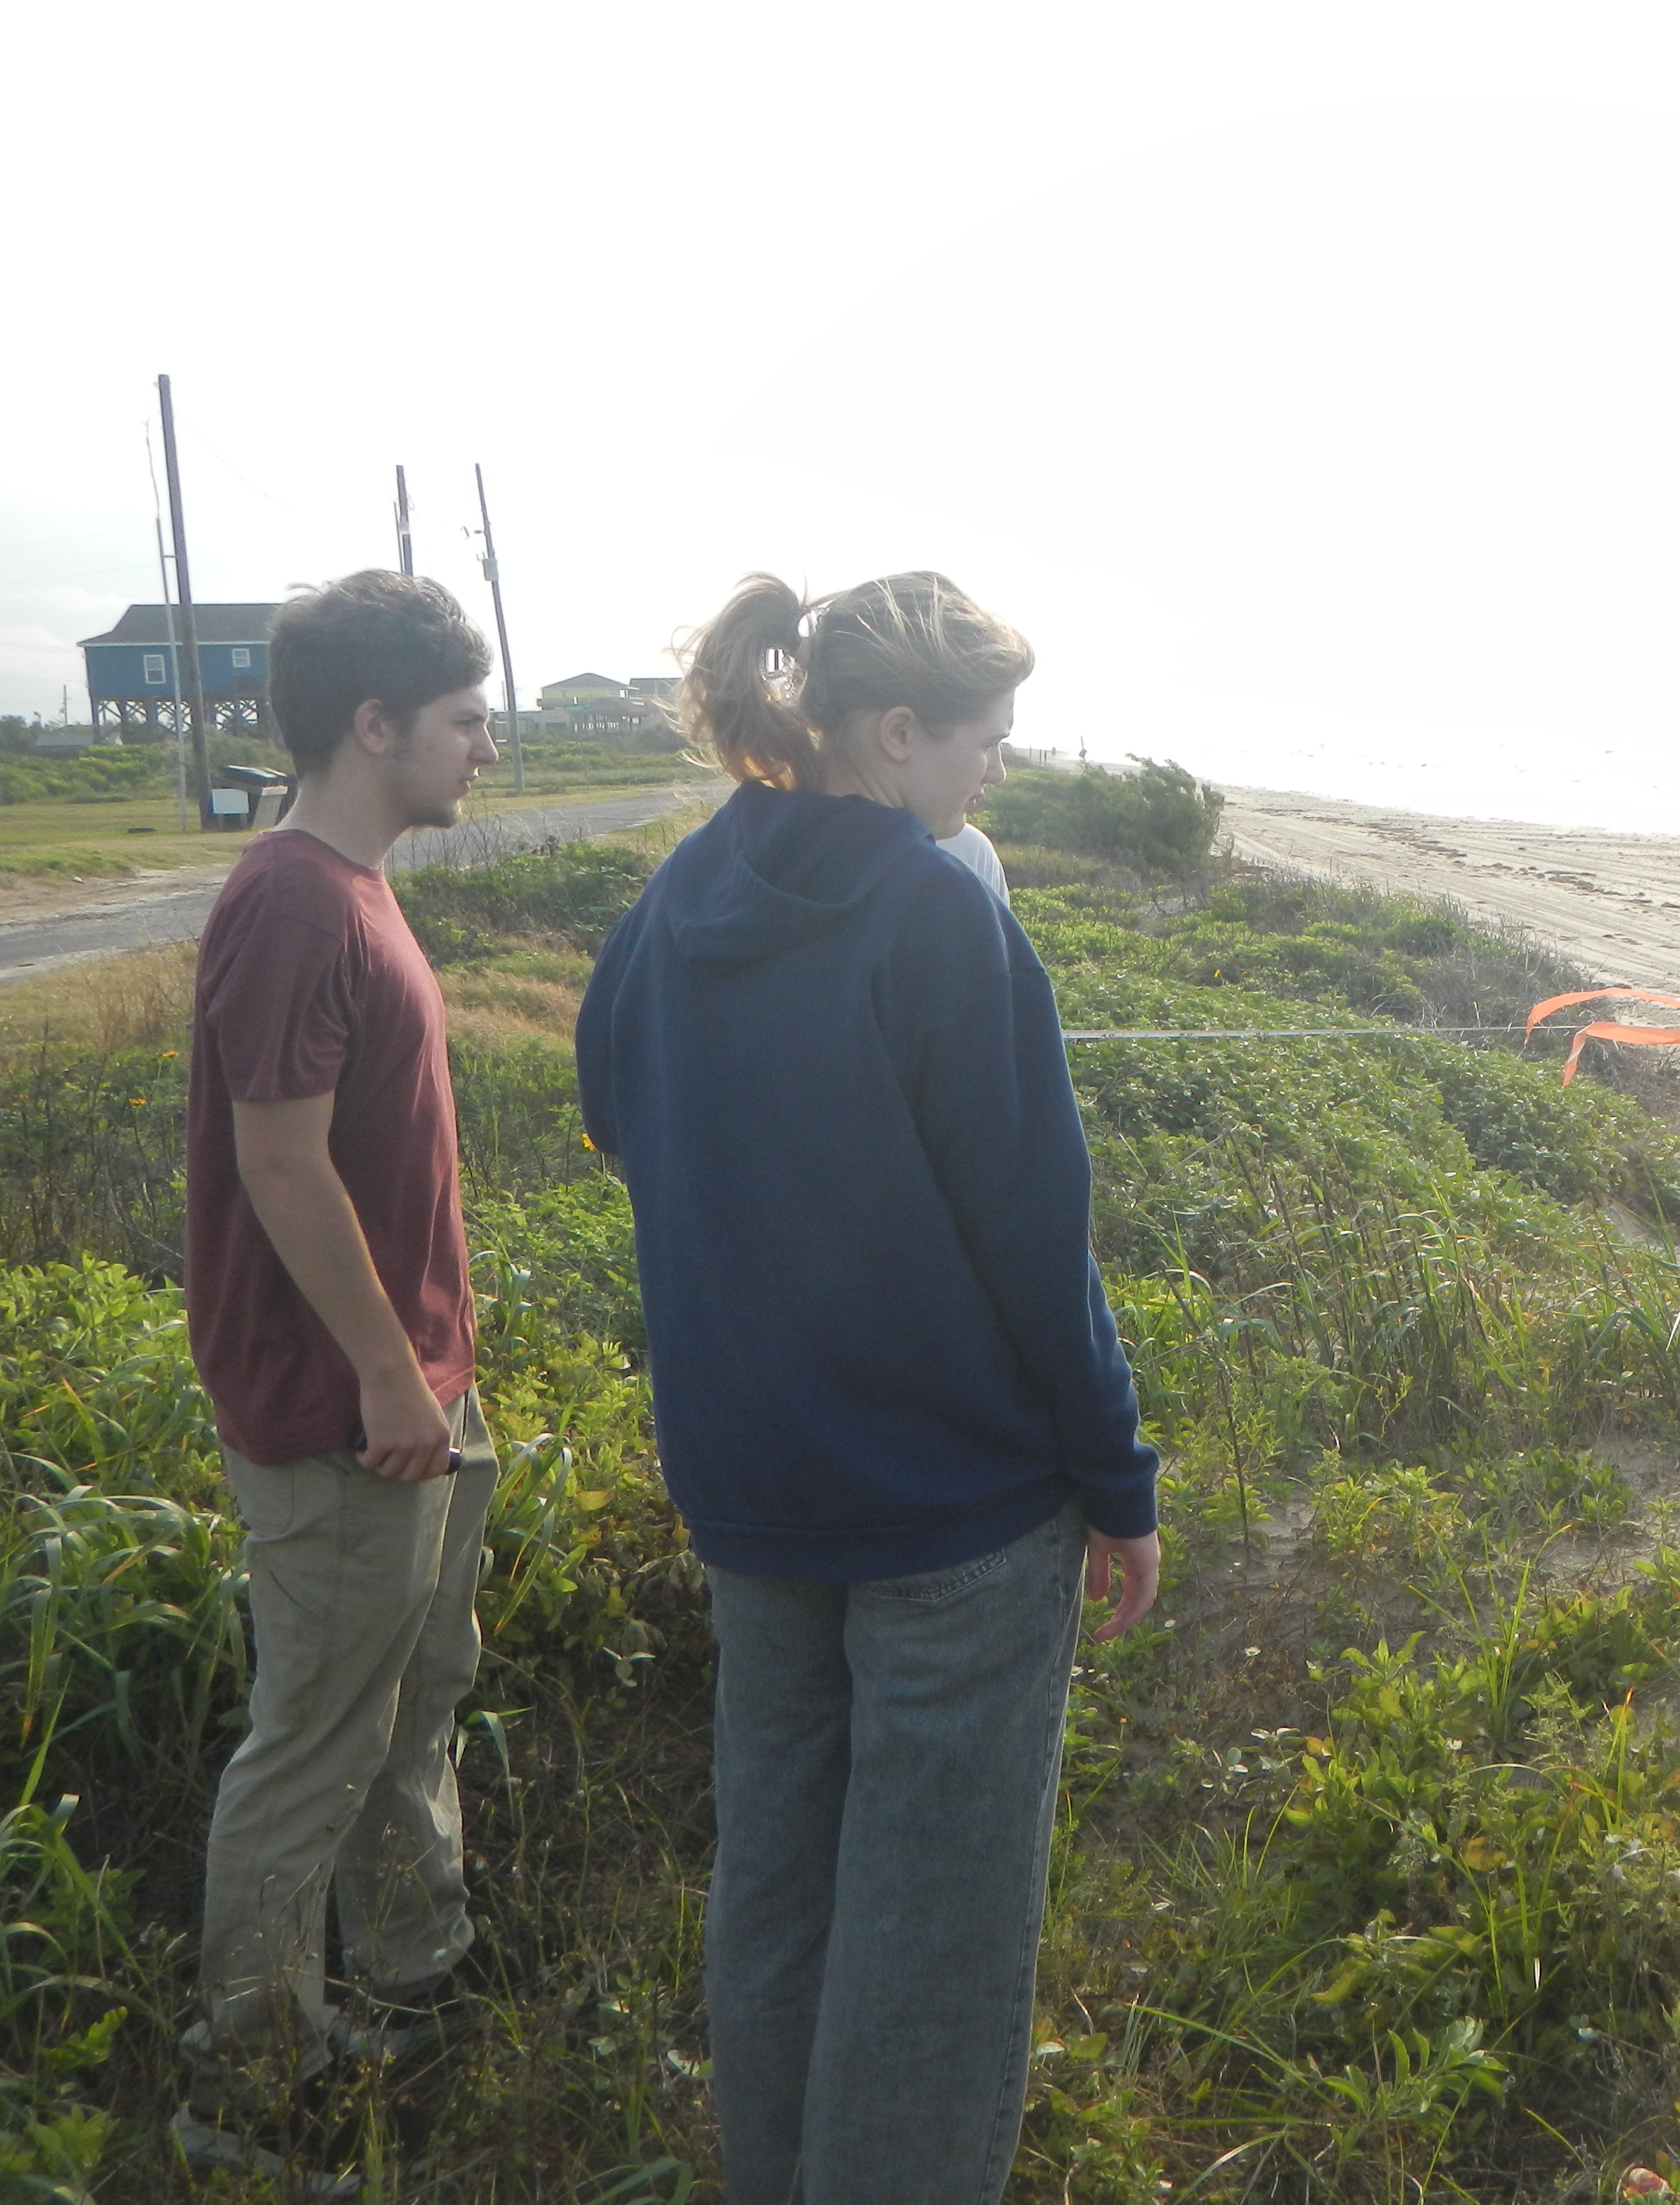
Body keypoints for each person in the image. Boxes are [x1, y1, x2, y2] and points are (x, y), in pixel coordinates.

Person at [574, 572, 1160, 2204]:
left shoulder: (688, 881)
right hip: (951, 1513)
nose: (998, 774)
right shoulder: (932, 905)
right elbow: (1040, 1242)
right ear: (897, 734)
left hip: (752, 1490)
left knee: (781, 1886)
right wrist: (1119, 1483)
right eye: (987, 742)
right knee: (934, 1928)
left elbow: (610, 1103)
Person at [176, 572, 505, 2178]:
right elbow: (281, 1165)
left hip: (416, 1396)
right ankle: (243, 2080)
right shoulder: (296, 899)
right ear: (374, 724)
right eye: (461, 719)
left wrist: (437, 1369)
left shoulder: (357, 887)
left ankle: (386, 1980)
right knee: (314, 1735)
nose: (484, 747)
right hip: (344, 1415)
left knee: (412, 1699)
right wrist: (388, 1376)